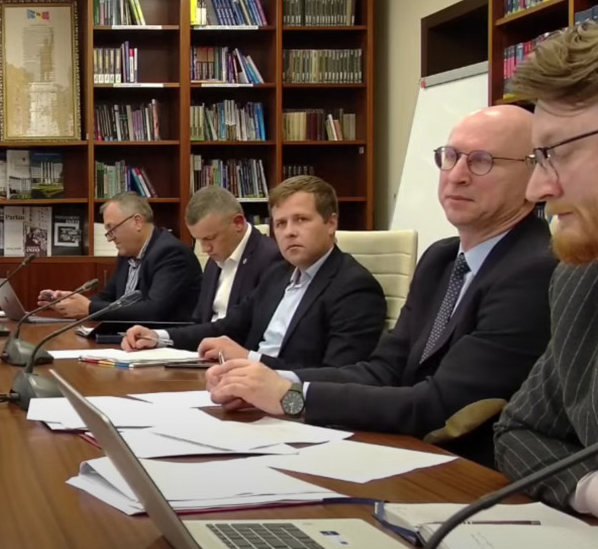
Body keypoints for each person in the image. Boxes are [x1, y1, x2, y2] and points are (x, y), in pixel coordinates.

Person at [198, 107, 554, 466]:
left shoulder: (534, 270)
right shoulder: (441, 258)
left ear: (535, 174)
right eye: (450, 157)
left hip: (466, 469)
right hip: (403, 448)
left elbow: (440, 405)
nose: (457, 175)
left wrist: (291, 397)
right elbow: (383, 371)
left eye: (481, 161)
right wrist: (264, 382)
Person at [123, 175, 385, 371]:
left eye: (301, 220)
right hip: (242, 387)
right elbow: (228, 327)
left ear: (331, 223)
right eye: (280, 223)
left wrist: (250, 360)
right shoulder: (278, 275)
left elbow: (337, 376)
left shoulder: (354, 287)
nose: (289, 232)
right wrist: (159, 337)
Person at [493, 24, 598, 512]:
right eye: (537, 158)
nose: (536, 189)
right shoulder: (579, 280)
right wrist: (589, 489)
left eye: (555, 153)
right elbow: (518, 431)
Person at [38, 192, 200, 322]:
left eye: (112, 229)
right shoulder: (127, 254)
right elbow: (108, 297)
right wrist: (70, 303)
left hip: (163, 342)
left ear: (137, 222)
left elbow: (153, 311)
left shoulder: (170, 253)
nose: (110, 238)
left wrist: (89, 308)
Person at [185, 186, 282, 323]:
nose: (205, 249)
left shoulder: (271, 259)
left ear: (238, 223)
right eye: (199, 240)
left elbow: (254, 325)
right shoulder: (214, 261)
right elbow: (200, 318)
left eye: (209, 238)